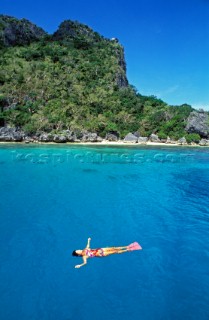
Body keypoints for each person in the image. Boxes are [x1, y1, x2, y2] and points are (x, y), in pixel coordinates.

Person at [72, 238, 142, 268]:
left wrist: (88, 240)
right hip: (101, 254)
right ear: (78, 254)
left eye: (77, 249)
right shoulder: (84, 256)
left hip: (100, 249)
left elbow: (88, 246)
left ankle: (127, 246)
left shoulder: (84, 249)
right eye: (77, 251)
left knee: (114, 247)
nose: (78, 250)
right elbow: (85, 263)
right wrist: (80, 265)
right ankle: (129, 249)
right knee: (115, 251)